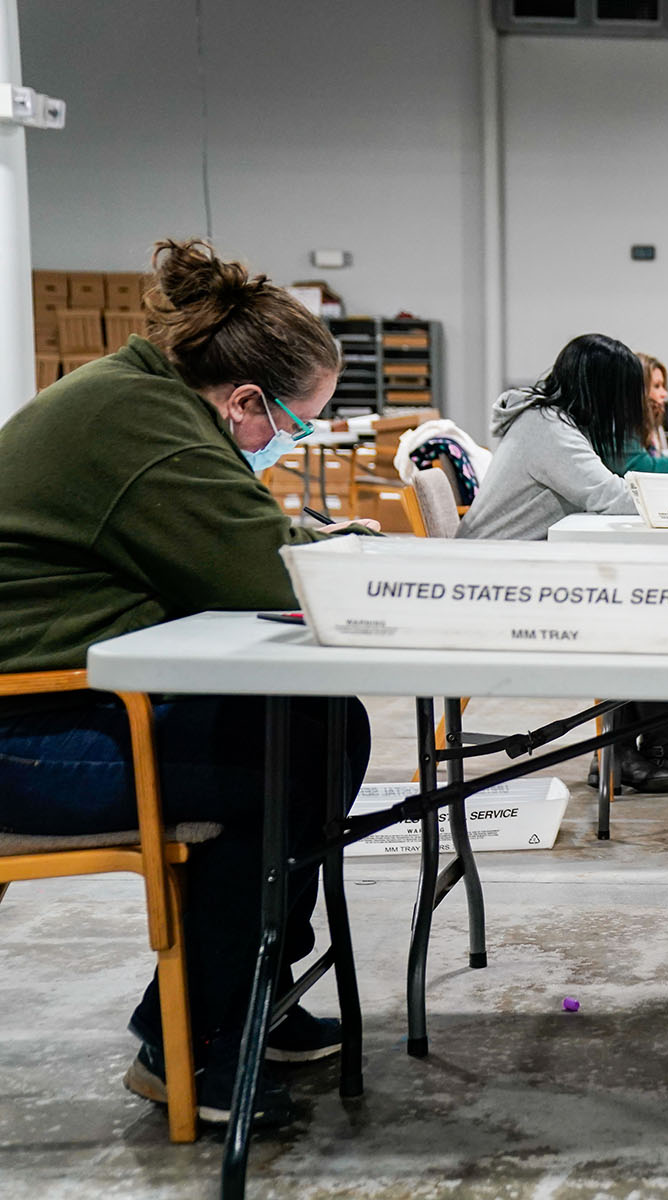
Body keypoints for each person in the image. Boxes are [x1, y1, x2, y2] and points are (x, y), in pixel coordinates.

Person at [0, 238, 374, 1129]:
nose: (295, 443)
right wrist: (347, 562)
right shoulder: (151, 429)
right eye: (295, 424)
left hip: (62, 702)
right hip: (22, 737)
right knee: (279, 757)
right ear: (245, 401)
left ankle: (254, 995)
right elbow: (267, 575)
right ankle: (193, 1041)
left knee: (309, 726)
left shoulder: (141, 397)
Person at [459, 334, 668, 793]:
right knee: (651, 610)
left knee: (645, 603)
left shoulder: (550, 420)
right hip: (501, 588)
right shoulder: (548, 429)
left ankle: (628, 753)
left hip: (512, 571)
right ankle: (643, 754)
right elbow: (611, 495)